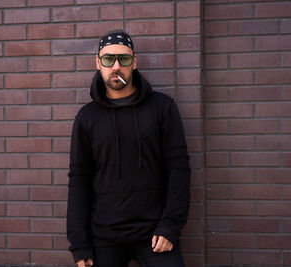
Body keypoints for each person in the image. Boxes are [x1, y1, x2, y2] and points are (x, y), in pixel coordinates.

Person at [67, 29, 191, 267]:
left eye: (123, 59)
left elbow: (179, 170)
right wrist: (79, 243)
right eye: (108, 59)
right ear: (98, 63)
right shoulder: (86, 117)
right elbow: (79, 181)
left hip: (155, 234)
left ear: (134, 62)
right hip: (104, 236)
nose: (116, 66)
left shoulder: (162, 108)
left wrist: (170, 226)